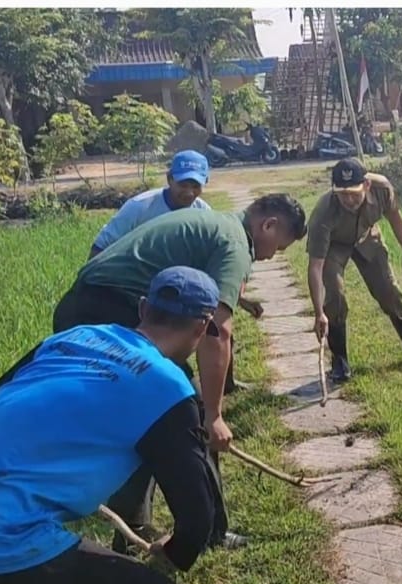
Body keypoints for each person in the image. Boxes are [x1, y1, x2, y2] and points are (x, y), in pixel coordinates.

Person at [0, 266, 226, 584]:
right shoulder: (167, 388)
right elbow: (197, 517)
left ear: (141, 308)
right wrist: (175, 552)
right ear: (200, 328)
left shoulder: (72, 338)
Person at [52, 193, 308, 553]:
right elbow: (217, 332)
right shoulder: (236, 243)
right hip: (111, 307)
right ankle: (209, 532)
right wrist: (214, 415)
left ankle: (132, 532)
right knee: (184, 413)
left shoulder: (217, 226)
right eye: (278, 247)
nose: (270, 256)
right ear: (269, 225)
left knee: (145, 418)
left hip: (83, 306)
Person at [87, 149, 263, 394]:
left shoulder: (203, 212)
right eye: (183, 184)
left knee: (216, 327)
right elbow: (100, 248)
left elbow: (212, 270)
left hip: (175, 291)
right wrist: (95, 284)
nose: (189, 192)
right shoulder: (141, 207)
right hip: (134, 286)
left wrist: (239, 298)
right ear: (169, 178)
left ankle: (225, 385)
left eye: (196, 185)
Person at [306, 157, 402, 383]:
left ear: (367, 185)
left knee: (390, 292)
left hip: (367, 236)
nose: (349, 199)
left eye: (354, 192)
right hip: (335, 246)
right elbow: (316, 266)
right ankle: (340, 362)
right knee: (334, 295)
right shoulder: (323, 214)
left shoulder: (382, 188)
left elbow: (395, 217)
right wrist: (318, 312)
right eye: (343, 194)